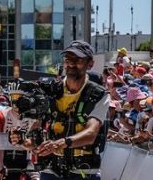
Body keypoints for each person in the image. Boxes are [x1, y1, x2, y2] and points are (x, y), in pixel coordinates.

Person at [18, 40, 109, 180]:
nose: (71, 63)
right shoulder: (48, 89)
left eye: (77, 59)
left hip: (83, 172)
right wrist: (23, 141)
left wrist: (60, 143)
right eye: (68, 59)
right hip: (51, 170)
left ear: (90, 63)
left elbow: (91, 134)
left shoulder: (98, 94)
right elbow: (34, 133)